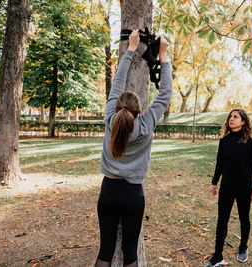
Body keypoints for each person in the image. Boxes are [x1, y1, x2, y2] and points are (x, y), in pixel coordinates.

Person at [96, 30, 172, 267]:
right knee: (130, 253)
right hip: (132, 195)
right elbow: (165, 94)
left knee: (105, 252)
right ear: (140, 111)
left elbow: (117, 82)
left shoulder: (110, 119)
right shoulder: (146, 124)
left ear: (116, 106)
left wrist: (130, 49)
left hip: (108, 192)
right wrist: (163, 54)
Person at [204, 109, 252, 267]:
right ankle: (217, 256)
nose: (231, 119)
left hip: (244, 187)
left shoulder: (250, 141)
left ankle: (243, 247)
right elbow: (220, 163)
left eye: (236, 117)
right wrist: (215, 182)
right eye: (230, 116)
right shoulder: (224, 140)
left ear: (243, 122)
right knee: (222, 220)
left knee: (244, 218)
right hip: (227, 186)